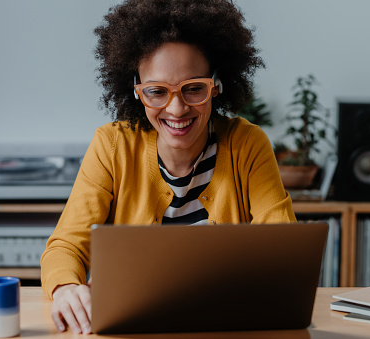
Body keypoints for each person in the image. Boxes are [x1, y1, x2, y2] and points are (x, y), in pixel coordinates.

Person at [40, 0, 296, 334]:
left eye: (193, 89)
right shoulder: (112, 146)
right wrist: (65, 289)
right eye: (157, 92)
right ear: (136, 91)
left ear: (216, 85)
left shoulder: (247, 144)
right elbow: (65, 247)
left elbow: (283, 250)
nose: (176, 109)